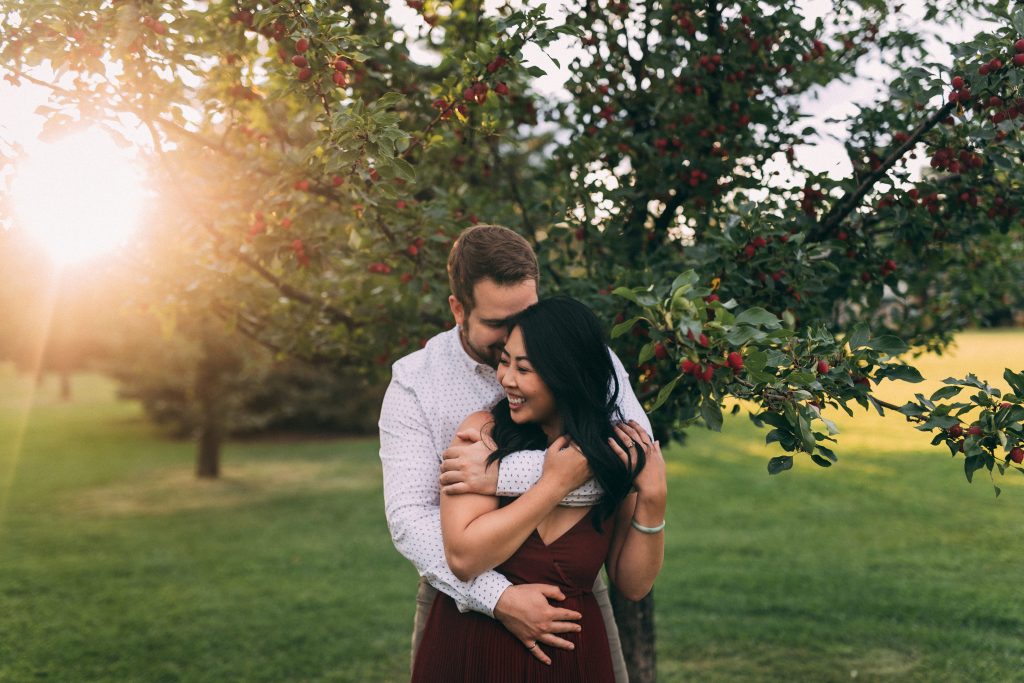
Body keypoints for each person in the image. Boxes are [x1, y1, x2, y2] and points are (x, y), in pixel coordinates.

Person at [378, 224, 652, 679]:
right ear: (458, 308)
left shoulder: (581, 357)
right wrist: (497, 598)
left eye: (526, 314)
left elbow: (632, 457)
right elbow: (410, 520)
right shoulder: (415, 382)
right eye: (497, 324)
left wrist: (497, 474)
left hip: (574, 593)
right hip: (460, 599)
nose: (513, 337)